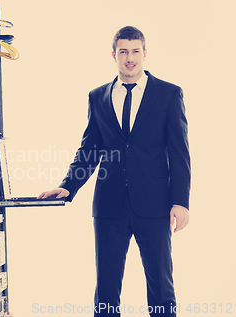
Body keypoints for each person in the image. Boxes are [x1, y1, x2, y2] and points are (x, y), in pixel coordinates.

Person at [38, 26, 190, 317]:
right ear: (114, 55)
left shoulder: (169, 94)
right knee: (106, 286)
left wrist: (180, 201)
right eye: (123, 51)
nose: (129, 58)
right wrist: (68, 185)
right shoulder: (98, 96)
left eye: (135, 51)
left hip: (155, 204)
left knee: (160, 284)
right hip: (109, 205)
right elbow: (90, 149)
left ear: (144, 54)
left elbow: (180, 152)